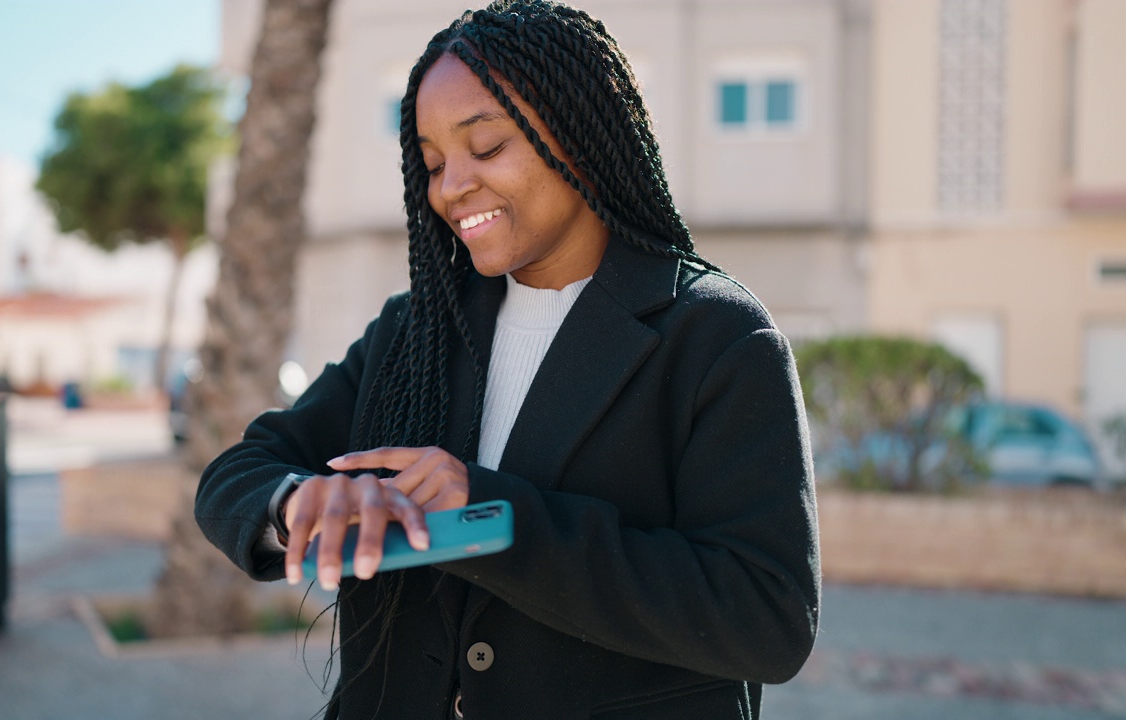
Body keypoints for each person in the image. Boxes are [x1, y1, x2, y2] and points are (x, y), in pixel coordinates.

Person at [194, 1, 820, 718]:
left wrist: (498, 519)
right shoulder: (416, 331)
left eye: (485, 147)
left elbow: (769, 619)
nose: (451, 185)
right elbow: (238, 473)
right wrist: (298, 501)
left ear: (582, 134)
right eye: (432, 163)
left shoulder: (715, 336)